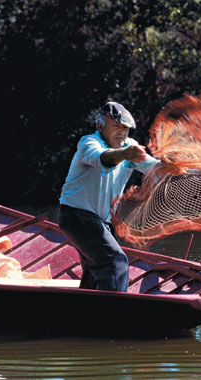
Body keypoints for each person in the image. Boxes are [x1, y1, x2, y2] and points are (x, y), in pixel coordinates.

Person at [58, 102, 159, 292]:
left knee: (95, 271)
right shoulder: (88, 143)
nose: (122, 133)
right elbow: (104, 159)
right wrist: (126, 154)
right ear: (100, 126)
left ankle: (86, 311)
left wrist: (172, 168)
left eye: (125, 129)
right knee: (115, 262)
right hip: (76, 216)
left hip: (100, 222)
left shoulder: (129, 146)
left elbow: (154, 168)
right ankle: (114, 315)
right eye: (116, 127)